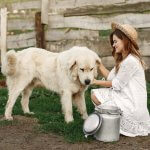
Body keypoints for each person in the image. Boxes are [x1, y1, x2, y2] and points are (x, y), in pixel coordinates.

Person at [91, 22, 150, 137]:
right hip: (126, 96)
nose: (113, 45)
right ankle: (112, 121)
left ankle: (117, 122)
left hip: (132, 104)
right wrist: (99, 64)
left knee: (96, 95)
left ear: (125, 41)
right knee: (97, 95)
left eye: (115, 41)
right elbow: (111, 78)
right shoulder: (124, 60)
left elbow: (115, 84)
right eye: (113, 42)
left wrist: (94, 81)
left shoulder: (131, 61)